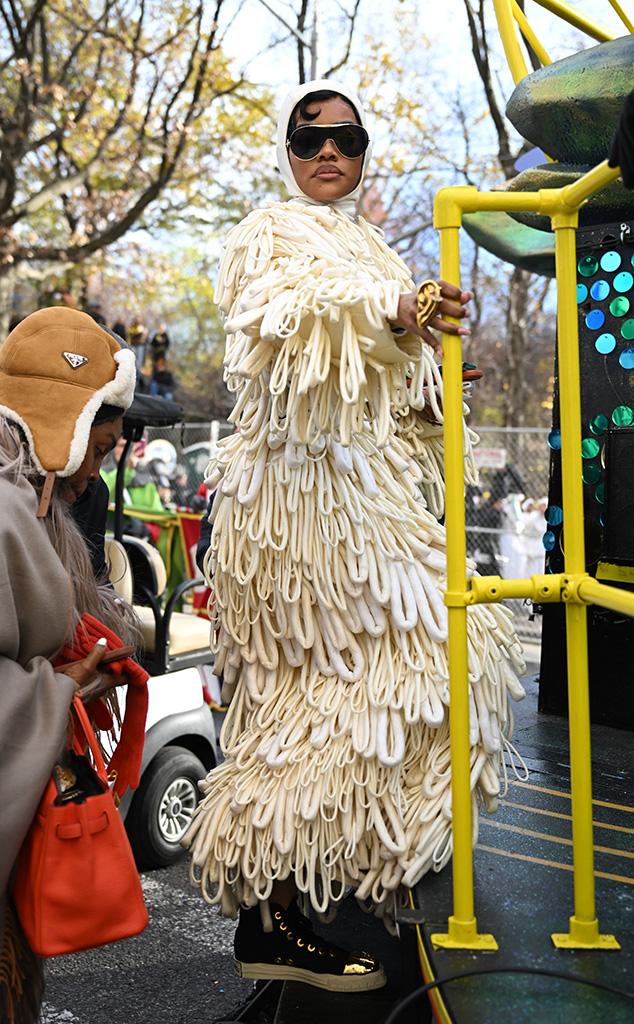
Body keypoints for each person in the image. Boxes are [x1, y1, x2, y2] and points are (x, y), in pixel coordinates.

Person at [184, 81, 526, 992]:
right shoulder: (270, 232)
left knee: (433, 666)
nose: (327, 152)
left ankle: (331, 878)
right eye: (309, 140)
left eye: (345, 137)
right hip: (296, 510)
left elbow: (378, 373)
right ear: (287, 153)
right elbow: (292, 324)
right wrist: (394, 315)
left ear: (364, 151)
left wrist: (427, 369)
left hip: (356, 496)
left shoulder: (370, 243)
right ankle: (274, 908)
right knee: (366, 686)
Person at [0, 307, 139, 1023]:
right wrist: (59, 690)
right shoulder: (3, 512)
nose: (95, 472)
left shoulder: (28, 507)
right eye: (97, 443)